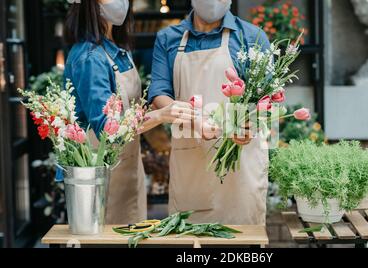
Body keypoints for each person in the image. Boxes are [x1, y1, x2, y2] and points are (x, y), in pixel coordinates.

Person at [63, 0, 194, 224]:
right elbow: (107, 129)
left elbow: (127, 112)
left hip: (128, 169)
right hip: (99, 175)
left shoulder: (116, 50)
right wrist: (161, 116)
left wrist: (157, 107)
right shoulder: (90, 58)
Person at [149, 0, 271, 225]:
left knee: (241, 239)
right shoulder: (168, 38)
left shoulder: (253, 37)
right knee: (190, 240)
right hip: (191, 161)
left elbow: (267, 101)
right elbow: (159, 93)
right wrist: (194, 119)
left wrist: (249, 126)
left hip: (241, 167)